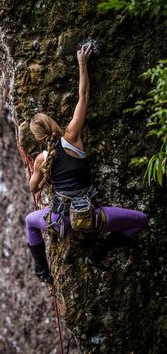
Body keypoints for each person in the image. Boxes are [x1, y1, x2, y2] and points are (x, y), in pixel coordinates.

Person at [25, 44, 148, 283]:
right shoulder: (71, 137)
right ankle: (97, 253)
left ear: (38, 138)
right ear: (54, 124)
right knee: (140, 220)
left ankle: (41, 271)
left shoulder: (42, 159)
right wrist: (82, 63)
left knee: (30, 222)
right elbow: (84, 96)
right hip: (89, 217)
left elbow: (33, 188)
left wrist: (39, 171)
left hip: (60, 220)